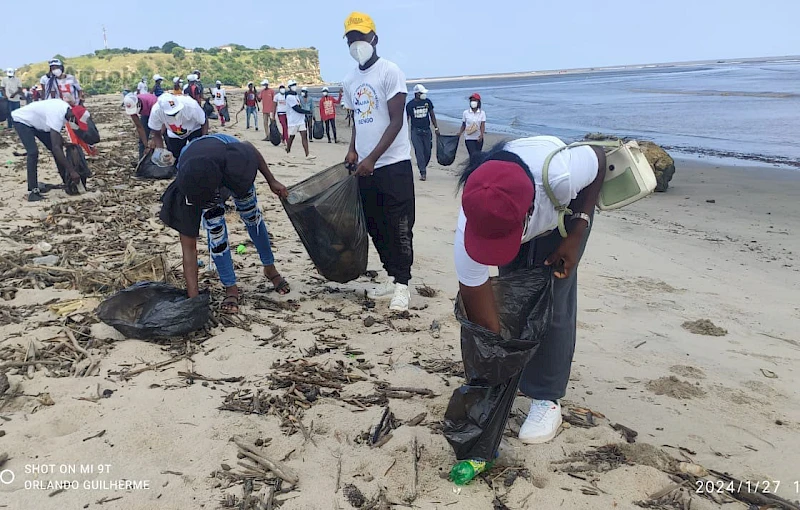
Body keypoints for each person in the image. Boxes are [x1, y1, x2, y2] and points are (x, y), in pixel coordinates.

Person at [454, 135, 606, 444]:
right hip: (518, 212)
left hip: (564, 216)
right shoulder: (472, 217)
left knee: (551, 297)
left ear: (529, 212)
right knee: (513, 297)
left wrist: (577, 231)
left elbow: (600, 158)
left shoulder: (562, 176)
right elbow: (481, 312)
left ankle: (546, 398)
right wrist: (493, 370)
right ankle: (517, 374)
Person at [158, 133, 291, 313]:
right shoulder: (186, 191)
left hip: (225, 158)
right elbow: (188, 249)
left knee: (252, 217)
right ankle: (230, 286)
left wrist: (271, 180)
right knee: (216, 233)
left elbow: (249, 148)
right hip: (198, 167)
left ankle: (270, 268)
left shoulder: (236, 162)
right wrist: (193, 300)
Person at [342, 11, 414, 312]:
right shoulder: (349, 80)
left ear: (374, 38)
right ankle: (390, 275)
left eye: (361, 36)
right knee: (374, 223)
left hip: (393, 163)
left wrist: (373, 157)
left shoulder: (389, 72)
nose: (357, 42)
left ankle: (403, 285)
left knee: (399, 225)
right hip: (365, 166)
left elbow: (396, 121)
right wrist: (353, 150)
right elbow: (359, 119)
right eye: (351, 38)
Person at [11, 97, 92, 201]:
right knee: (33, 152)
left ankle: (66, 181)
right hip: (22, 120)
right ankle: (33, 191)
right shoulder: (57, 114)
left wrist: (64, 142)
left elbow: (55, 132)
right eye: (77, 122)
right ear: (73, 116)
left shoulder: (66, 111)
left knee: (56, 149)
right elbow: (56, 147)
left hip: (39, 124)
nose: (76, 125)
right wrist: (72, 171)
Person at [148, 93, 208, 163]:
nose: (175, 115)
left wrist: (204, 140)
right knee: (175, 157)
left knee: (197, 154)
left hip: (194, 128)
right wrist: (161, 151)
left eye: (177, 112)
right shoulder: (156, 111)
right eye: (171, 114)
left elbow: (204, 122)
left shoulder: (191, 105)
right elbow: (157, 133)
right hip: (174, 133)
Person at [405, 83, 439, 181]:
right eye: (422, 93)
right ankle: (423, 172)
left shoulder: (427, 102)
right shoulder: (410, 105)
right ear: (417, 94)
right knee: (419, 152)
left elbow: (432, 115)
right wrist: (404, 132)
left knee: (427, 151)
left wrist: (436, 127)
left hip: (427, 130)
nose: (424, 94)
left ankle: (423, 165)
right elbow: (407, 119)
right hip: (415, 131)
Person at [123, 92, 158, 159]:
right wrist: (146, 146)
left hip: (154, 111)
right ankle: (142, 160)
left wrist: (154, 140)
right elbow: (139, 127)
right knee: (142, 139)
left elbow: (158, 126)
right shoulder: (130, 104)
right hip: (145, 114)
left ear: (138, 103)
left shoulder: (153, 103)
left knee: (163, 137)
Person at [284, 80, 313, 158]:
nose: (294, 86)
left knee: (304, 135)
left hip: (300, 120)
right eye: (293, 85)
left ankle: (307, 154)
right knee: (292, 137)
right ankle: (288, 150)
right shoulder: (289, 97)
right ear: (289, 87)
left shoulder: (295, 95)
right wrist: (306, 112)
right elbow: (296, 109)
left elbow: (299, 106)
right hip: (293, 120)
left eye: (295, 85)